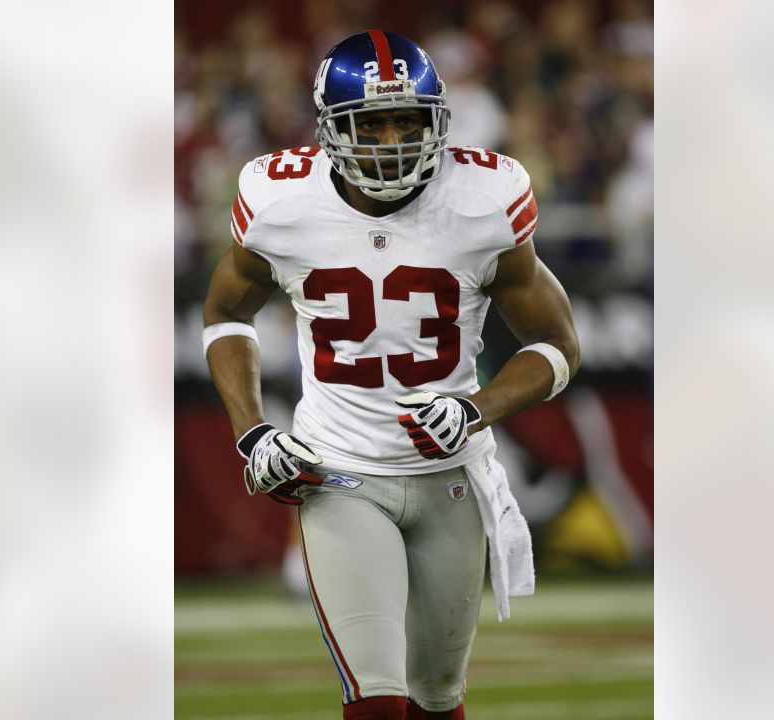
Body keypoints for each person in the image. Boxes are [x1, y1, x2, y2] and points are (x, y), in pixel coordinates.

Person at [202, 29, 579, 720]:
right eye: (371, 123)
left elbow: (558, 346)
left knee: (438, 698)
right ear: (330, 130)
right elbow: (226, 314)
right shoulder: (282, 202)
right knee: (376, 700)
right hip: (338, 472)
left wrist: (475, 409)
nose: (394, 138)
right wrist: (253, 432)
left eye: (410, 118)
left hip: (450, 477)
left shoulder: (482, 199)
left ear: (438, 118)